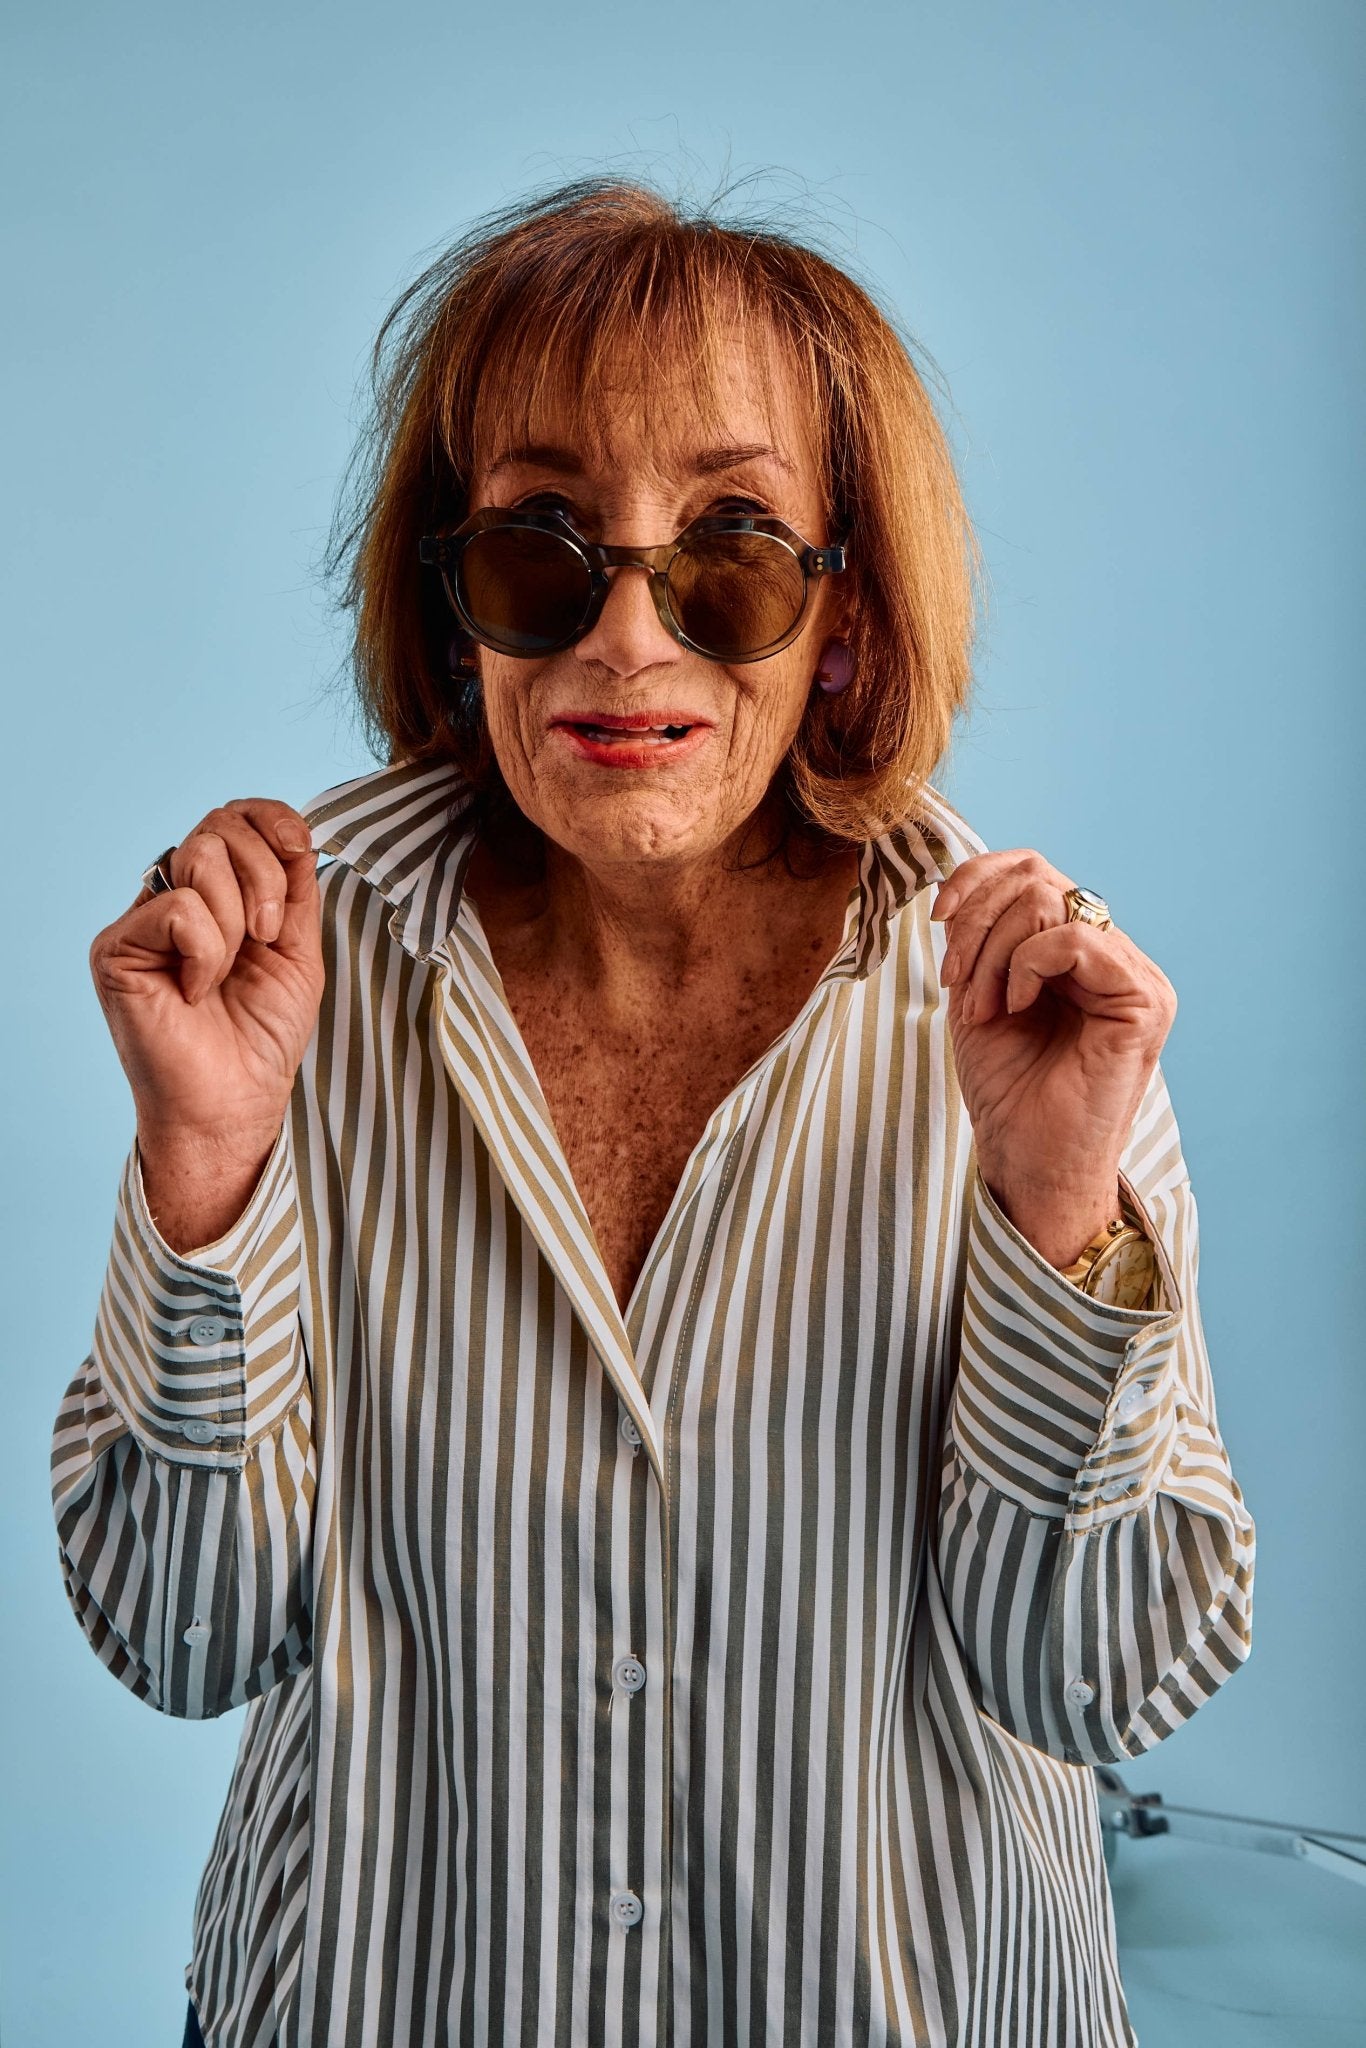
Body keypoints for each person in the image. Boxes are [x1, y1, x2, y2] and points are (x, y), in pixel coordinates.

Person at [53, 178, 1254, 2048]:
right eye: (541, 550)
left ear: (842, 619)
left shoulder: (1034, 1023)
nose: (624, 640)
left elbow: (1103, 1684)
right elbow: (180, 1636)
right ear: (457, 607)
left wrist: (1056, 1224)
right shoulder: (287, 995)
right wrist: (206, 1170)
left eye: (731, 549)